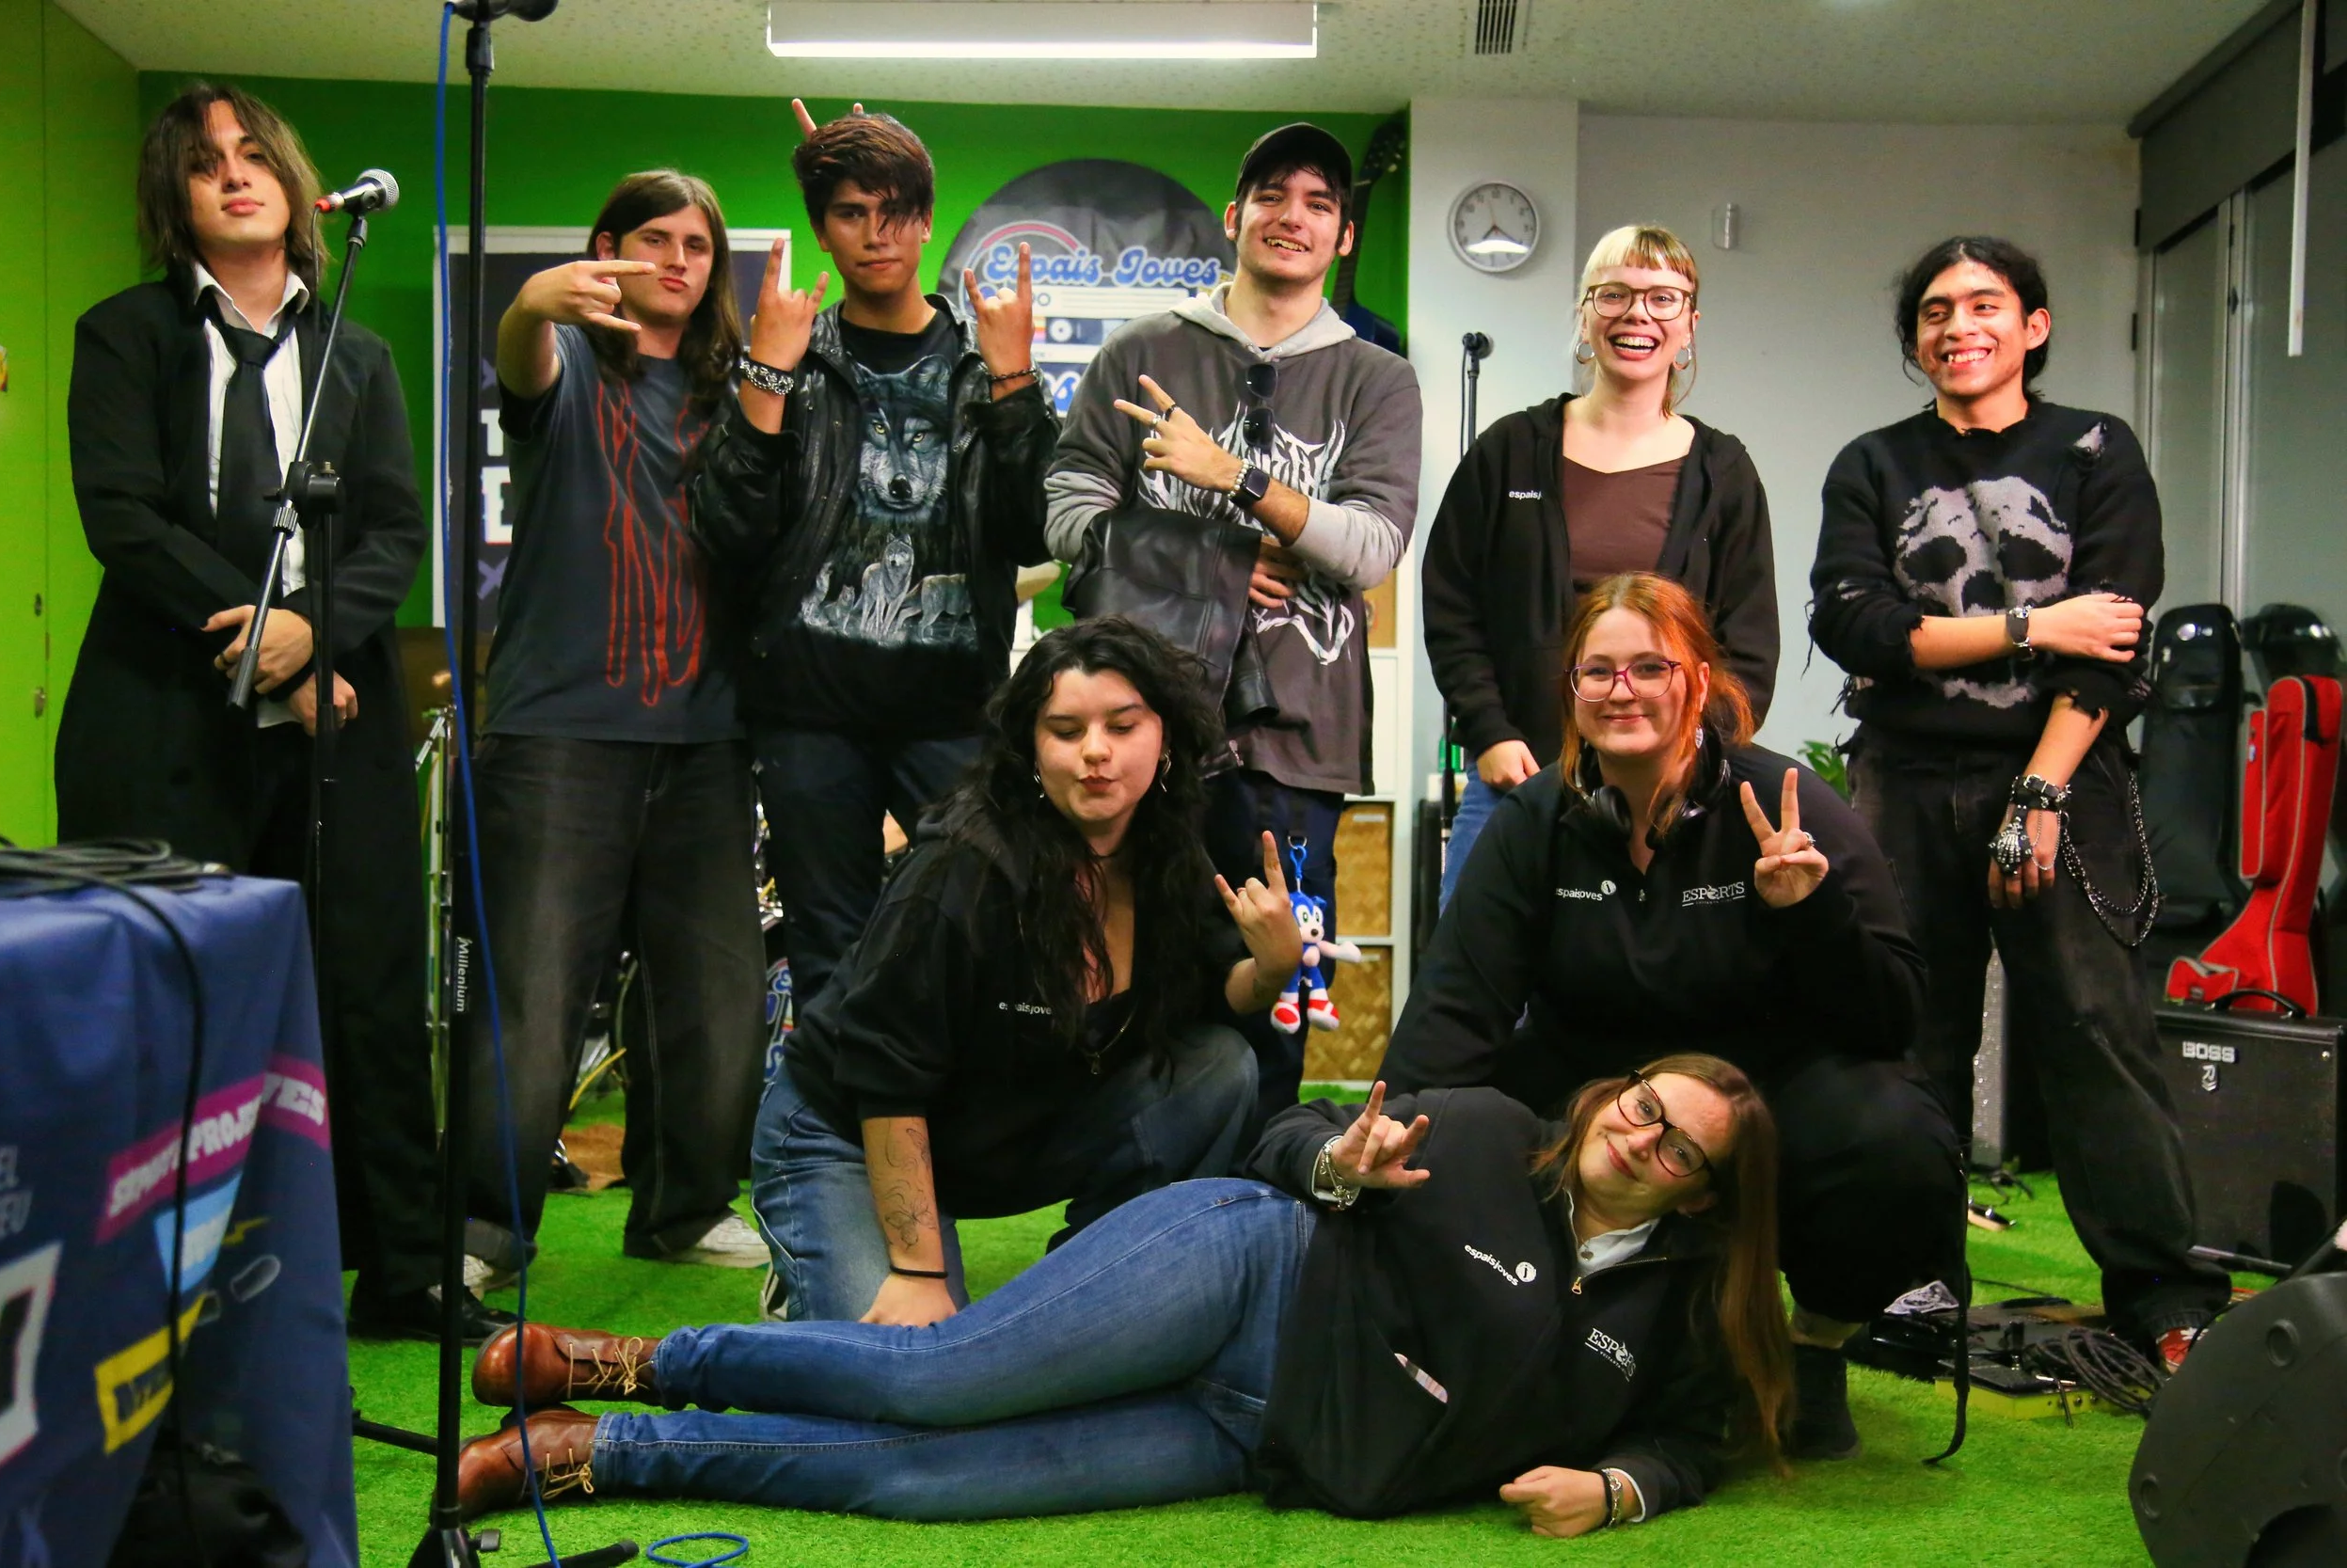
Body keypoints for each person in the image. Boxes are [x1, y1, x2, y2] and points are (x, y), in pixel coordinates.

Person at [453, 1054, 1791, 1534]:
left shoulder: (1677, 1310)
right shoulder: (1493, 1128)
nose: (1642, 1137)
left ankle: (608, 1449)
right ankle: (638, 1361)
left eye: (1681, 1147)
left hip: (1259, 1437)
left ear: (1703, 1198)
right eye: (1643, 1103)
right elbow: (1283, 1137)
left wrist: (1618, 1487)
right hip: (1243, 1271)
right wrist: (1337, 1164)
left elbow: (1695, 1438)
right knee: (936, 1377)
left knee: (916, 1482)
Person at [56, 84, 483, 1339]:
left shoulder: (360, 353)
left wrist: (315, 632)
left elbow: (393, 527)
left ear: (299, 188)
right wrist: (272, 645)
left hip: (337, 717)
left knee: (369, 989)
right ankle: (156, 1281)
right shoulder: (122, 333)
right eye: (204, 163)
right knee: (165, 991)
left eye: (254, 155)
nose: (235, 175)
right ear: (173, 197)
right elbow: (123, 515)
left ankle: (403, 1268)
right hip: (162, 710)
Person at [1379, 572, 1965, 1460]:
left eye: (1650, 667)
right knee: (1467, 1117)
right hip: (1603, 1086)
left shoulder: (1786, 804)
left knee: (1895, 1143)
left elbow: (1891, 1020)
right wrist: (1386, 1141)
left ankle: (1813, 1343)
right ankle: (1573, 1322)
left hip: (1767, 1089)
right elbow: (1455, 1011)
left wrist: (1811, 913)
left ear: (1698, 681)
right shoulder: (1535, 821)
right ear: (1572, 690)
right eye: (1598, 670)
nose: (1623, 691)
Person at [1808, 235, 2231, 1370]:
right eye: (1935, 311)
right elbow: (1855, 625)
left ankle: (2161, 1288)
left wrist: (2038, 788)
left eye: (1984, 304)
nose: (1959, 326)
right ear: (1915, 341)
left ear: (2032, 326)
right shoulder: (1872, 463)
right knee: (1911, 1036)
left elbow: (2116, 639)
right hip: (1902, 784)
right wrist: (2036, 623)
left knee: (2095, 1029)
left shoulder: (2095, 449)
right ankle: (1912, 1283)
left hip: (2062, 775)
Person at [744, 618, 1292, 1326]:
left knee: (1218, 1067)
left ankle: (1090, 1294)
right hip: (849, 1131)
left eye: (1122, 725)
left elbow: (1208, 992)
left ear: (1164, 736)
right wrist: (916, 1271)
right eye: (1065, 730)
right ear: (1031, 747)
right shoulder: (963, 867)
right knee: (915, 1371)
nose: (1095, 751)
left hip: (997, 1131)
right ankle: (811, 1261)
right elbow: (884, 1074)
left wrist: (1272, 967)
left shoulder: (1165, 845)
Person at [1046, 122, 1422, 1117]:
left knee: (1277, 995)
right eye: (1272, 196)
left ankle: (1258, 1198)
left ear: (1343, 236)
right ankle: (1124, 1192)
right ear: (1234, 216)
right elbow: (1069, 514)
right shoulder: (1142, 352)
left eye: (1318, 204)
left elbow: (1373, 547)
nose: (1293, 217)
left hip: (1293, 747)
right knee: (1128, 982)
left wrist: (1238, 479)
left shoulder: (1379, 380)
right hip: (1141, 731)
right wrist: (1211, 559)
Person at [688, 103, 1058, 1012]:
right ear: (822, 230)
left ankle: (944, 1114)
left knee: (975, 943)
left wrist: (1015, 384)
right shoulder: (791, 358)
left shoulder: (982, 362)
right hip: (809, 713)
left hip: (953, 710)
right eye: (851, 213)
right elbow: (729, 532)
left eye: (895, 211)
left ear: (927, 221)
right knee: (829, 962)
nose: (876, 234)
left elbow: (1033, 532)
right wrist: (767, 376)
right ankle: (833, 1113)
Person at [468, 170, 766, 1287]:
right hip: (560, 732)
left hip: (708, 739)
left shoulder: (738, 393)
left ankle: (684, 1209)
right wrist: (528, 302)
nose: (679, 259)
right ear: (607, 250)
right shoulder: (565, 361)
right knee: (534, 997)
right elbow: (521, 354)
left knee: (718, 1003)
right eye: (656, 238)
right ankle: (486, 1228)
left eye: (699, 244)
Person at [1422, 223, 1778, 909]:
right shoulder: (1509, 451)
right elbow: (1452, 606)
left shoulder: (1723, 472)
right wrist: (1489, 732)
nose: (1637, 314)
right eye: (1613, 294)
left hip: (1669, 792)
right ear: (1585, 317)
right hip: (1516, 778)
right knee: (1472, 965)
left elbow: (1749, 643)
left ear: (1690, 325)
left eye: (1662, 298)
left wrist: (1695, 756)